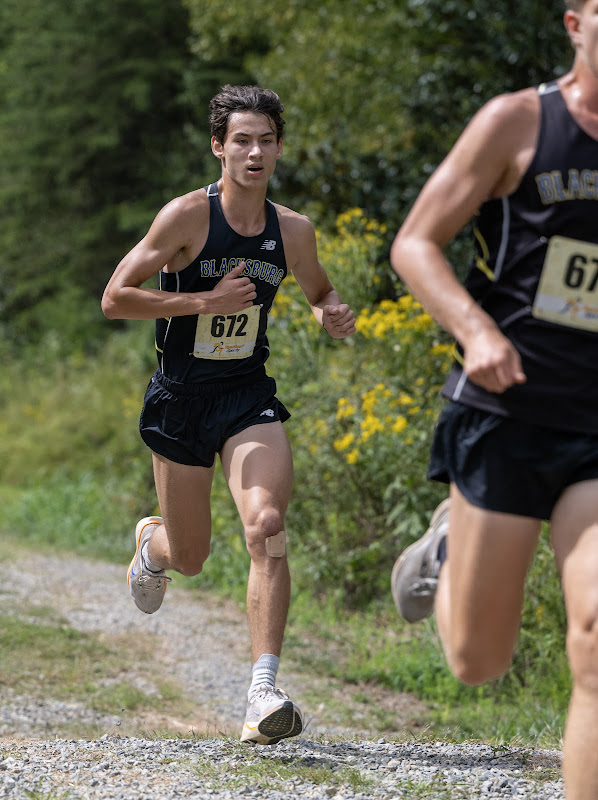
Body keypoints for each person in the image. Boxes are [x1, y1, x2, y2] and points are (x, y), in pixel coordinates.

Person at [101, 84, 355, 745]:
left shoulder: (292, 230)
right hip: (181, 400)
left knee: (267, 524)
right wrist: (201, 303)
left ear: (278, 149)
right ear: (219, 147)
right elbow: (115, 298)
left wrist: (329, 309)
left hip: (247, 396)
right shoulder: (186, 217)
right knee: (190, 556)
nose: (255, 152)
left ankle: (261, 693)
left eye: (267, 140)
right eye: (242, 140)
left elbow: (317, 286)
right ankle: (149, 547)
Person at [389, 3, 598, 798]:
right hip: (506, 412)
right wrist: (475, 331)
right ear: (575, 23)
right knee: (479, 661)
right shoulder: (517, 122)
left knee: (596, 635)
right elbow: (415, 242)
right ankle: (447, 548)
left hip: (594, 424)